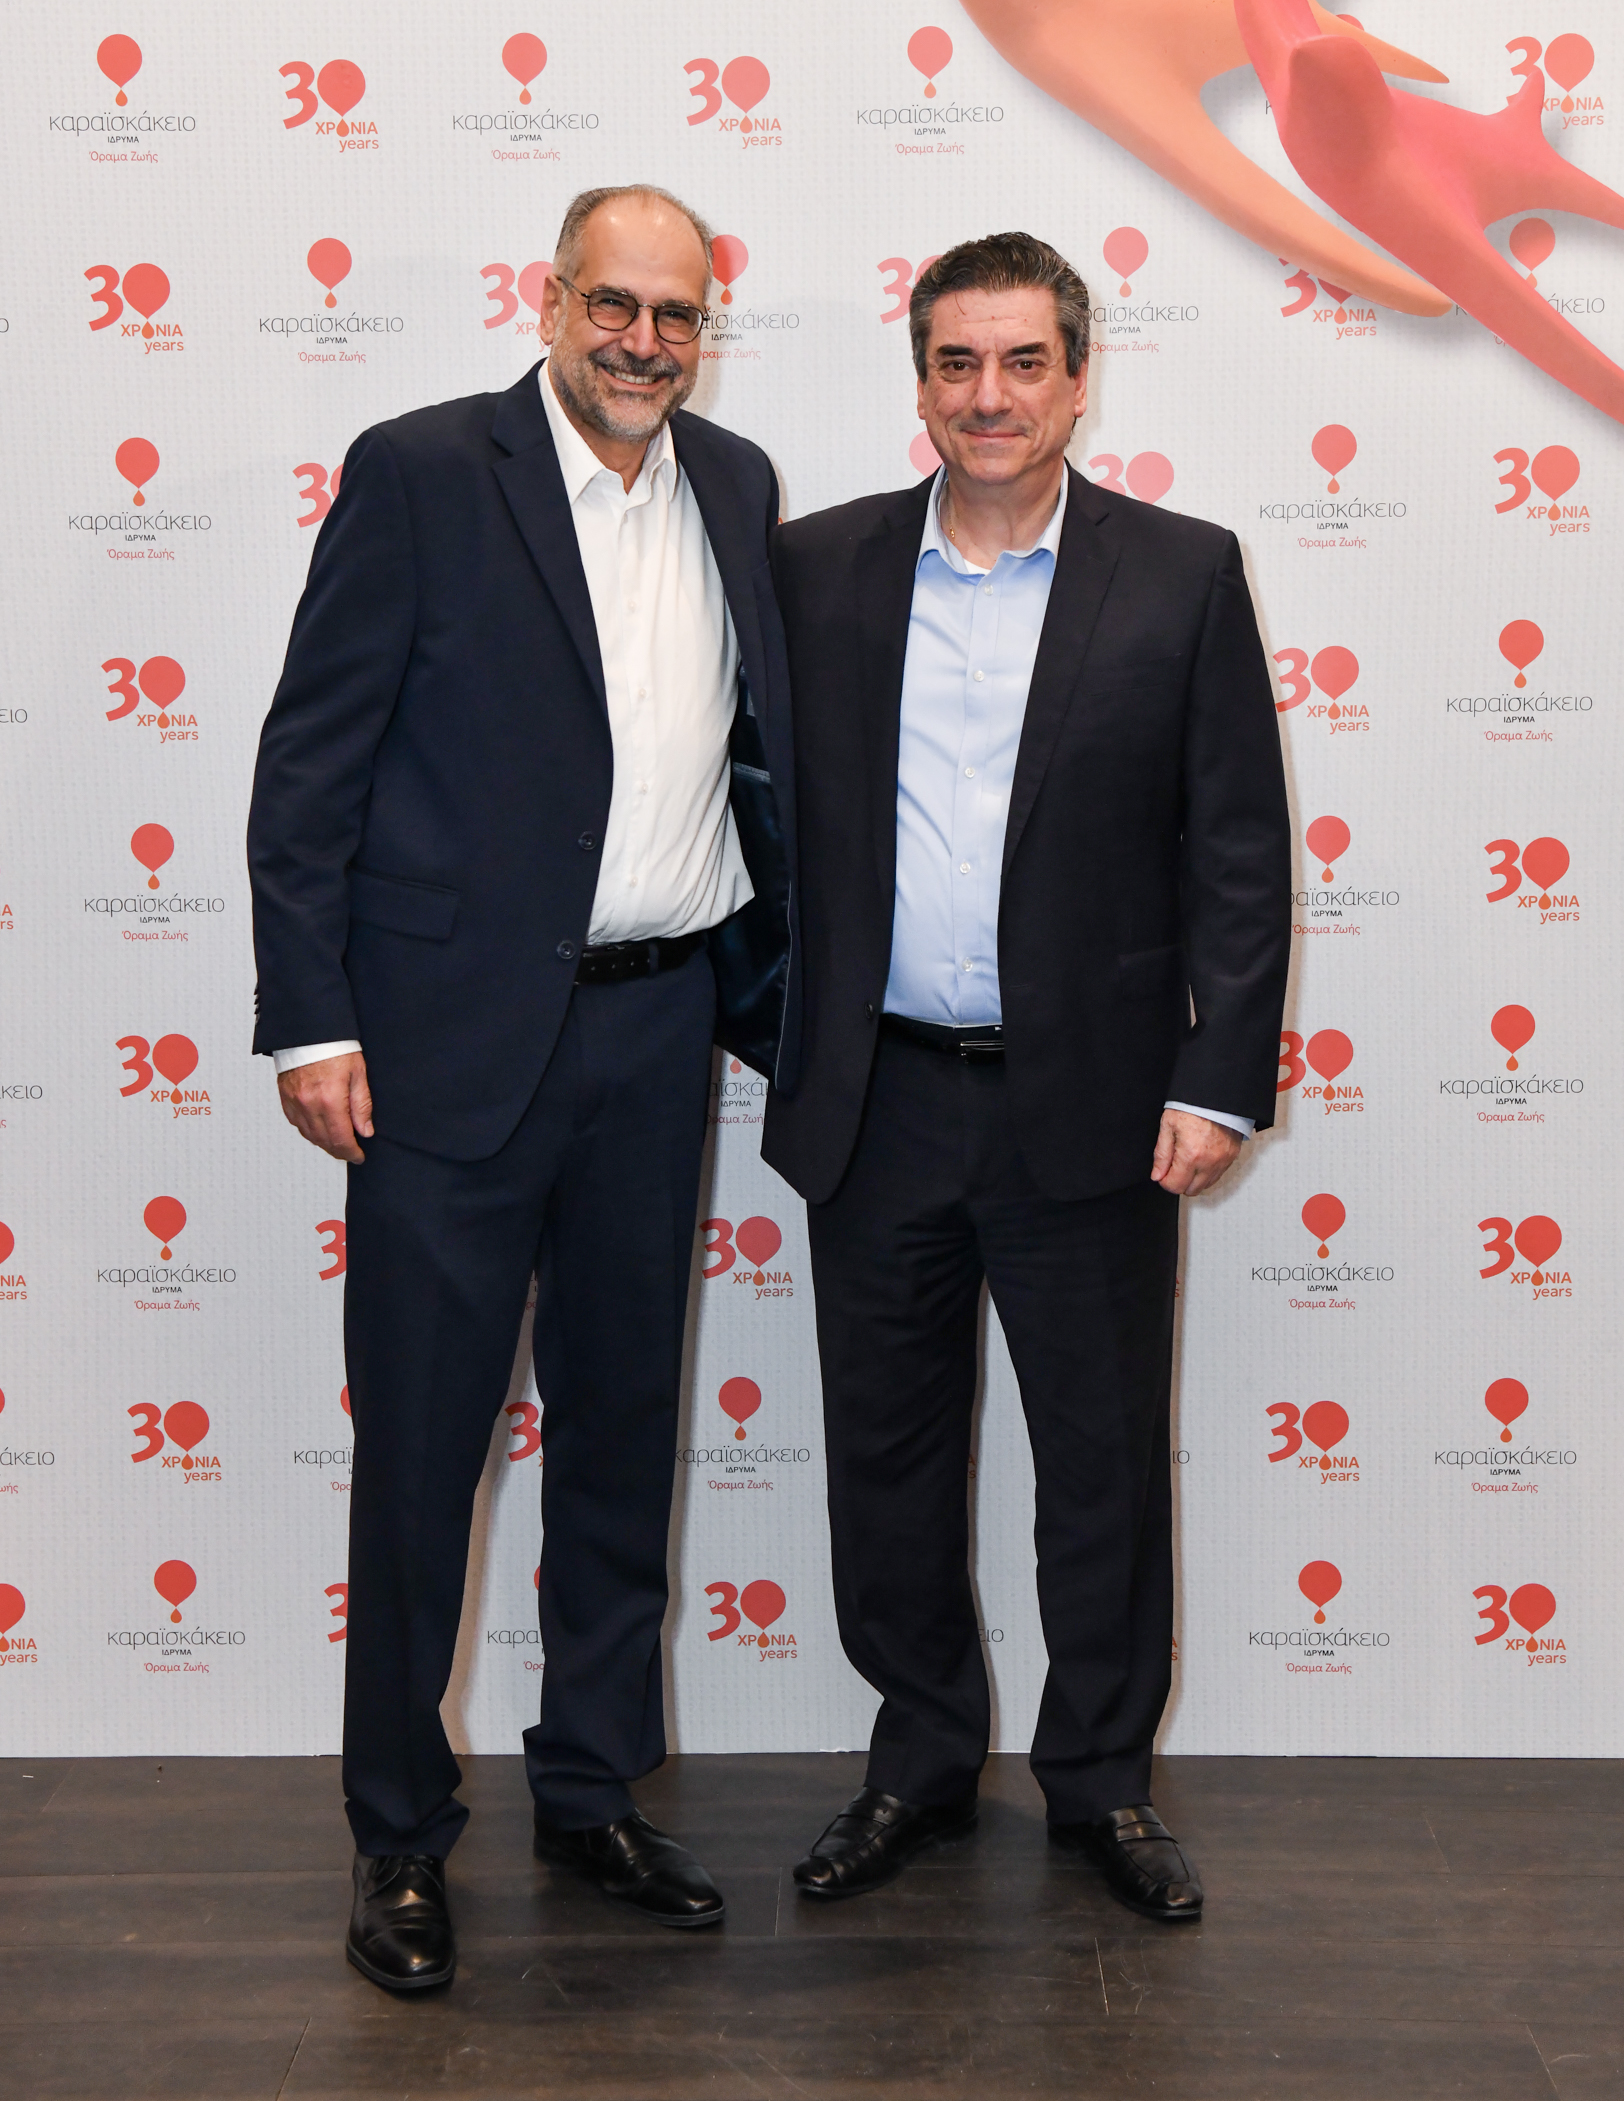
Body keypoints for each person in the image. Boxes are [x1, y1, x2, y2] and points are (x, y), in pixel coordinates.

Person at [247, 184, 797, 1990]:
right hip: (446, 1046)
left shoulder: (737, 488)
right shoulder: (421, 472)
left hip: (656, 1028)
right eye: (615, 304)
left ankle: (591, 1788)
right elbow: (309, 765)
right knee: (425, 1451)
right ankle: (398, 1832)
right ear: (550, 300)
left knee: (624, 1433)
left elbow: (755, 758)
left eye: (677, 313)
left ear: (706, 329)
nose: (644, 341)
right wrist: (310, 1021)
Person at [763, 231, 1289, 1920]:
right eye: (956, 363)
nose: (988, 395)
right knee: (888, 1459)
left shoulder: (1182, 572)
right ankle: (919, 1759)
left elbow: (1237, 849)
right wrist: (783, 1032)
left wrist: (1218, 1078)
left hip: (1100, 1105)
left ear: (1076, 376)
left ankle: (1103, 1782)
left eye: (1022, 362)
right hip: (880, 1101)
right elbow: (751, 819)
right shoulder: (815, 568)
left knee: (1103, 1464)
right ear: (920, 380)